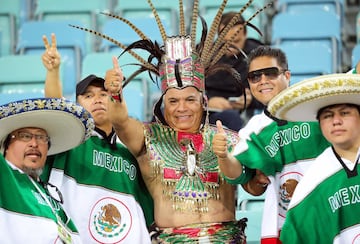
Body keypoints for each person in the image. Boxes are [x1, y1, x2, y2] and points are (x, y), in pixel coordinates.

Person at [75, 1, 272, 242]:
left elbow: (252, 185)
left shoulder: (229, 138)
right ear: (162, 103)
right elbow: (120, 121)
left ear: (203, 101)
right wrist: (114, 92)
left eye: (190, 99)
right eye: (173, 101)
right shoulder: (148, 138)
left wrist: (260, 179)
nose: (181, 108)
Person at [40, 33, 154, 243]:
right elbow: (55, 108)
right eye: (88, 96)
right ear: (76, 104)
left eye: (104, 94)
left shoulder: (132, 149)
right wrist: (54, 72)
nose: (98, 100)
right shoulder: (71, 141)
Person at [212, 45, 331, 243]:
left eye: (270, 73)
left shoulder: (316, 105)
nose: (263, 81)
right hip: (288, 228)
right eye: (255, 77)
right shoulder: (253, 130)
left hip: (330, 215)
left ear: (287, 75)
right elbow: (238, 175)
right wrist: (223, 155)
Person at [266, 73, 360, 243]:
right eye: (327, 116)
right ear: (319, 124)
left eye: (345, 113)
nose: (336, 121)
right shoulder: (313, 182)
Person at [0, 97, 94, 243]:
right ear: (6, 146)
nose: (34, 143)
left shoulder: (51, 196)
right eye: (25, 136)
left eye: (41, 137)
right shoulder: (4, 176)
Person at [206, 11, 265, 131]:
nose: (231, 46)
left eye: (236, 41)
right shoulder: (206, 54)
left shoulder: (259, 55)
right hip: (210, 111)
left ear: (245, 35)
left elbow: (271, 92)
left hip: (244, 112)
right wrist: (207, 100)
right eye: (225, 42)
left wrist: (251, 100)